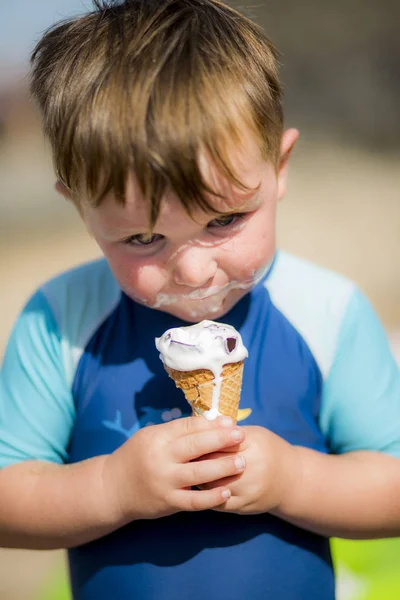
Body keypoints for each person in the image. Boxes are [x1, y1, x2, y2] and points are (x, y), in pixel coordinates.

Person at [0, 1, 399, 598]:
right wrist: (112, 487)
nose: (191, 268)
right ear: (80, 206)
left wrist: (293, 480)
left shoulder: (328, 312)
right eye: (142, 238)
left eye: (225, 220)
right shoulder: (61, 320)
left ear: (279, 167)